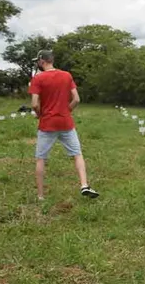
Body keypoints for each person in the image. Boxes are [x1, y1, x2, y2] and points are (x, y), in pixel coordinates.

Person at [28, 50, 97, 201]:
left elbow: (34, 104)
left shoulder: (38, 78)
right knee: (77, 154)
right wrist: (67, 110)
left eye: (37, 61)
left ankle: (40, 196)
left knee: (41, 159)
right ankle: (84, 185)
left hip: (47, 123)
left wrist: (40, 114)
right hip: (66, 122)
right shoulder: (66, 75)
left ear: (42, 61)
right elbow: (77, 99)